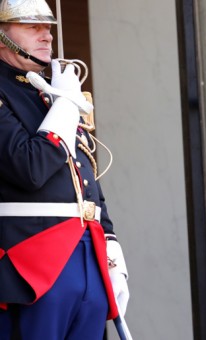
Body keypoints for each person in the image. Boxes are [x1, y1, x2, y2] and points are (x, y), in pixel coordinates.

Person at [0, 0, 129, 338]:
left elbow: (86, 173)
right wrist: (66, 106)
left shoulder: (49, 92)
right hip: (30, 259)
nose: (46, 36)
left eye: (48, 28)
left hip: (87, 252)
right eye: (32, 27)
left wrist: (111, 244)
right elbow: (31, 167)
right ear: (2, 36)